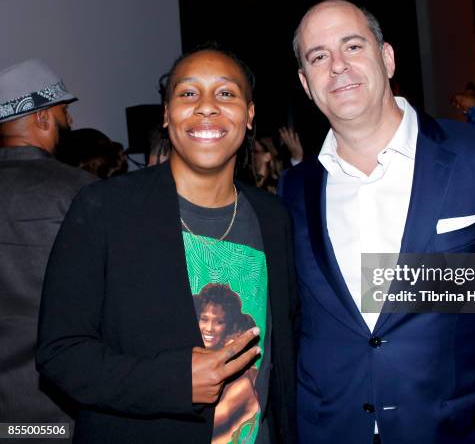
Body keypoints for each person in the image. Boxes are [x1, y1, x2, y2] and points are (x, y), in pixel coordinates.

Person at [279, 0, 475, 444]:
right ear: (306, 82)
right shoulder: (292, 190)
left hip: (458, 431)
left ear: (387, 57)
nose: (337, 65)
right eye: (318, 57)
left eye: (353, 46)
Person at [37, 44, 297, 444]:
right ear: (166, 114)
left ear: (249, 115)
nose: (206, 106)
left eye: (226, 93)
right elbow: (61, 354)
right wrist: (174, 381)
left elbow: (284, 357)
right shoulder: (105, 209)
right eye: (188, 93)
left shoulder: (273, 216)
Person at [0, 59, 96, 440]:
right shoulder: (81, 193)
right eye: (63, 111)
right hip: (56, 411)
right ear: (41, 118)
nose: (70, 122)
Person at [193, 283, 261, 444]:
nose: (209, 328)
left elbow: (217, 418)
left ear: (228, 326)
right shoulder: (195, 355)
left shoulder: (241, 381)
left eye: (219, 322)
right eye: (204, 319)